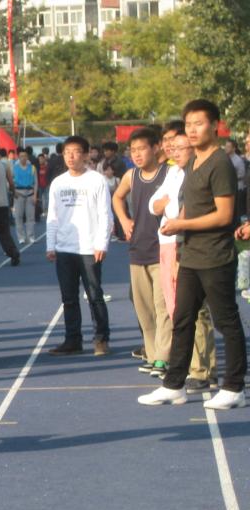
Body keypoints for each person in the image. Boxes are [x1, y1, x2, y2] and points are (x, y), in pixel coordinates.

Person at [139, 99, 246, 410]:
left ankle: (234, 388)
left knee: (226, 321)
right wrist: (179, 236)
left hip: (215, 256)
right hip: (191, 255)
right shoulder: (192, 163)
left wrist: (182, 224)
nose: (193, 130)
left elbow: (224, 215)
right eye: (188, 125)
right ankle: (174, 385)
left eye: (199, 123)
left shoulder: (220, 163)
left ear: (215, 126)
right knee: (182, 319)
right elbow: (189, 206)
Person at [149, 126, 217, 392]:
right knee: (178, 308)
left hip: (188, 245)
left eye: (179, 147)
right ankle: (193, 365)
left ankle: (202, 369)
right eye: (171, 146)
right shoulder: (173, 172)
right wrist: (167, 207)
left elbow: (183, 212)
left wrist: (172, 213)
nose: (174, 151)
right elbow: (154, 205)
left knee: (196, 309)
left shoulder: (198, 173)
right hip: (168, 244)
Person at [45, 135, 113, 356]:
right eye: (67, 152)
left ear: (85, 155)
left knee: (94, 295)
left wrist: (102, 243)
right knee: (69, 298)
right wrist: (50, 244)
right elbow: (52, 216)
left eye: (75, 152)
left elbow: (105, 214)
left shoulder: (96, 180)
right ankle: (72, 340)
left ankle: (101, 339)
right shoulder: (58, 183)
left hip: (89, 249)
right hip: (64, 249)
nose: (71, 156)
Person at [111, 127, 170, 378]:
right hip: (137, 250)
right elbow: (117, 198)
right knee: (144, 310)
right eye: (132, 150)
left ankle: (164, 359)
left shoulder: (169, 173)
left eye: (141, 149)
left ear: (156, 148)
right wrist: (124, 220)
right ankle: (153, 355)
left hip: (162, 249)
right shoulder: (131, 176)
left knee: (162, 308)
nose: (136, 154)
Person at [12, 149, 37, 244]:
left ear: (27, 157)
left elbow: (36, 182)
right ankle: (21, 237)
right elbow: (10, 181)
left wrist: (35, 195)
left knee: (30, 217)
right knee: (18, 217)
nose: (23, 158)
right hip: (18, 193)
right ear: (18, 157)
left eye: (25, 156)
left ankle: (31, 236)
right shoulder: (14, 168)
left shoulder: (32, 168)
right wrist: (13, 191)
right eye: (21, 156)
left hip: (30, 193)